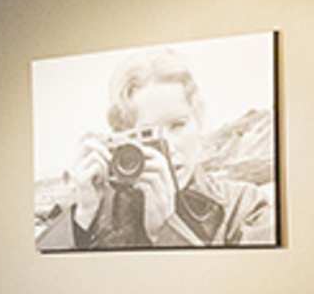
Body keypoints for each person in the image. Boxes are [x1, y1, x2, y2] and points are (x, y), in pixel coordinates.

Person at [37, 49, 275, 250]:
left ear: (198, 120)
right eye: (148, 133)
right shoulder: (94, 207)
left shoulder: (245, 205)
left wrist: (167, 230)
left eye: (178, 125)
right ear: (124, 139)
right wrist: (82, 219)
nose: (168, 146)